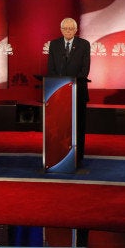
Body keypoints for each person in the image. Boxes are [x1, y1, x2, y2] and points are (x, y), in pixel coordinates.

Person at [47, 18, 91, 168]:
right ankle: (59, 153)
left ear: (76, 30)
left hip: (78, 91)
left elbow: (85, 70)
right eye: (65, 28)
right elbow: (51, 69)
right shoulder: (54, 44)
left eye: (71, 29)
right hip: (58, 92)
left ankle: (78, 156)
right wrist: (60, 85)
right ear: (61, 30)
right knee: (60, 126)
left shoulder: (84, 45)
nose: (68, 31)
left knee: (78, 124)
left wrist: (72, 83)